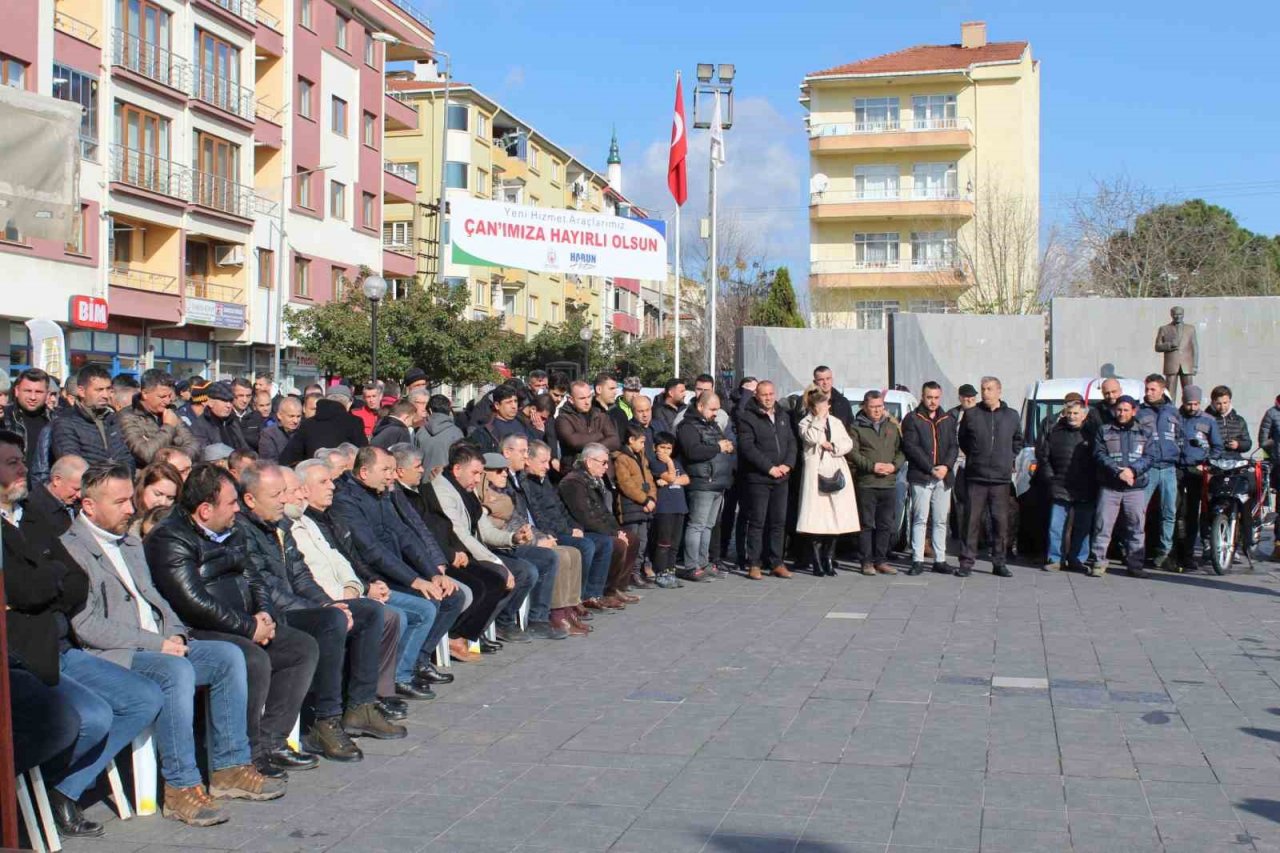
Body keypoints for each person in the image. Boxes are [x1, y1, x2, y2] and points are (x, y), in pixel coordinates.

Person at [64, 461, 284, 825]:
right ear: (89, 506)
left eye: (128, 500)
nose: (131, 510)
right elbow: (88, 626)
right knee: (174, 671)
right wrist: (156, 643)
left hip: (162, 643)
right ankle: (180, 787)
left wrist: (177, 633)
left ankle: (230, 768)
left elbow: (160, 599)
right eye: (119, 503)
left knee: (228, 656)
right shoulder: (73, 549)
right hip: (117, 654)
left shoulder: (130, 542)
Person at [2, 436, 152, 839]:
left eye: (21, 460)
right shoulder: (8, 526)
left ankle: (61, 788)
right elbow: (22, 589)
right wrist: (42, 586)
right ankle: (23, 798)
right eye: (11, 463)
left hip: (59, 644)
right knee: (86, 718)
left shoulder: (32, 517)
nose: (21, 470)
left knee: (145, 697)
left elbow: (74, 582)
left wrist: (40, 588)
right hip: (27, 652)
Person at [144, 465, 324, 773]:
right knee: (251, 658)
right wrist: (249, 627)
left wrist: (264, 615)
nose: (237, 509)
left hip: (246, 622)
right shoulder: (169, 539)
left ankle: (272, 741)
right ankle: (246, 752)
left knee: (301, 648)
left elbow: (254, 577)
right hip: (200, 630)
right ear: (204, 510)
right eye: (231, 503)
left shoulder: (232, 530)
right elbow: (193, 603)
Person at [235, 463, 406, 746]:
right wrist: (322, 611)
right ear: (251, 499)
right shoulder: (244, 531)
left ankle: (360, 706)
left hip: (298, 605)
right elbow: (266, 587)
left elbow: (302, 576)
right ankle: (326, 718)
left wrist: (328, 603)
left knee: (368, 611)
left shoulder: (279, 526)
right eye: (277, 494)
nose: (285, 499)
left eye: (283, 493)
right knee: (332, 621)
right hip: (274, 613)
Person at [334, 446, 482, 665]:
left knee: (452, 595)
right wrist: (415, 581)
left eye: (393, 470)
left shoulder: (381, 492)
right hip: (374, 576)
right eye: (386, 469)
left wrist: (432, 573)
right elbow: (372, 550)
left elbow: (405, 534)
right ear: (365, 472)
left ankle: (420, 659)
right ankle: (403, 673)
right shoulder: (346, 501)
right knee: (427, 602)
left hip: (396, 570)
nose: (391, 476)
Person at [432, 446, 546, 643]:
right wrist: (497, 563)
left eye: (480, 474)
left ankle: (479, 630)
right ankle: (461, 635)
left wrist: (513, 537)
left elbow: (485, 530)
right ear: (457, 469)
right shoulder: (443, 490)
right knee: (503, 575)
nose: (478, 479)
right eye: (475, 473)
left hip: (475, 551)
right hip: (456, 553)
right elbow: (462, 536)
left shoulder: (467, 490)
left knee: (525, 571)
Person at [481, 441, 584, 637]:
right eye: (498, 471)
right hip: (496, 547)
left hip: (510, 542)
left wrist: (540, 537)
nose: (504, 473)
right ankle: (507, 620)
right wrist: (534, 541)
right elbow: (492, 529)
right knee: (531, 567)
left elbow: (519, 519)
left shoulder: (507, 488)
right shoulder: (485, 493)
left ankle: (543, 617)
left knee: (559, 554)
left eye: (504, 470)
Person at [523, 439, 614, 610]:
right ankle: (574, 600)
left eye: (549, 461)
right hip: (551, 533)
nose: (548, 467)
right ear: (529, 460)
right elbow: (538, 516)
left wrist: (575, 528)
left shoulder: (544, 481)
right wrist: (562, 532)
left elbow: (562, 509)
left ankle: (592, 594)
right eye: (543, 462)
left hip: (563, 529)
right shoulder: (528, 484)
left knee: (605, 541)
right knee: (585, 545)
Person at [957, 376, 1023, 578]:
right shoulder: (972, 414)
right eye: (983, 389)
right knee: (971, 521)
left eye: (990, 389)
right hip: (976, 477)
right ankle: (966, 563)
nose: (985, 393)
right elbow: (964, 440)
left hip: (1000, 479)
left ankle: (999, 562)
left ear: (999, 391)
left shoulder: (1012, 415)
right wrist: (976, 456)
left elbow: (1018, 440)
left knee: (1000, 522)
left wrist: (1007, 457)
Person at [559, 443, 638, 608]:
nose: (606, 467)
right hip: (582, 528)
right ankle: (596, 592)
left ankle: (615, 588)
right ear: (589, 462)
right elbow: (585, 515)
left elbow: (603, 512)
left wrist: (616, 530)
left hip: (597, 526)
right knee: (615, 543)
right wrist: (614, 534)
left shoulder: (593, 480)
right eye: (603, 463)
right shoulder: (573, 482)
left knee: (632, 538)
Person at [736, 381, 797, 580]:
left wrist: (788, 464)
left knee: (779, 522)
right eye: (764, 394)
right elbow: (748, 448)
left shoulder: (783, 415)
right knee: (757, 521)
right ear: (756, 396)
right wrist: (769, 468)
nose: (768, 398)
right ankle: (754, 563)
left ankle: (776, 562)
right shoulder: (747, 417)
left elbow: (791, 442)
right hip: (759, 478)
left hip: (782, 477)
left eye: (771, 393)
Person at [795, 386, 859, 577]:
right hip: (816, 473)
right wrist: (818, 419)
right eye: (820, 405)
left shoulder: (836, 422)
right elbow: (811, 437)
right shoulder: (806, 422)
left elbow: (848, 443)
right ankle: (816, 561)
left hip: (835, 467)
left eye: (826, 405)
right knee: (817, 519)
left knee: (835, 518)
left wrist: (834, 446)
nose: (824, 409)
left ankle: (829, 558)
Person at [1091, 396, 1156, 578]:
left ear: (1134, 411)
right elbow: (1099, 454)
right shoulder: (1104, 431)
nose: (1122, 413)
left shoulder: (1145, 432)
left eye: (1126, 410)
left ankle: (1135, 565)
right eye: (1119, 410)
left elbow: (1150, 457)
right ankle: (1099, 562)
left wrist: (1132, 471)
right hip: (1110, 486)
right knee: (1103, 525)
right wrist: (1117, 471)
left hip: (1135, 488)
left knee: (1136, 527)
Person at [902, 381, 959, 575]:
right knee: (920, 518)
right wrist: (930, 467)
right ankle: (917, 559)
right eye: (929, 397)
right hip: (921, 476)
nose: (932, 401)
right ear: (922, 396)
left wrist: (946, 466)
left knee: (941, 520)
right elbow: (911, 447)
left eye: (936, 397)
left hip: (944, 477)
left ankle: (940, 559)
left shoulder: (948, 419)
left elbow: (954, 445)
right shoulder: (912, 418)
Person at [677, 392, 734, 582]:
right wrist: (718, 447)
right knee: (697, 525)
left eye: (717, 409)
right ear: (700, 406)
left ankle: (703, 562)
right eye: (712, 409)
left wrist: (726, 446)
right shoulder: (688, 426)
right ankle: (691, 565)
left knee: (708, 526)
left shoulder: (712, 424)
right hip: (702, 482)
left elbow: (717, 444)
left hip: (717, 482)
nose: (715, 413)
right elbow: (693, 451)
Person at [1037, 400, 1097, 572]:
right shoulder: (1055, 432)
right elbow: (1044, 457)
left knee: (1083, 527)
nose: (1072, 416)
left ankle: (1078, 559)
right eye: (1069, 413)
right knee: (1056, 526)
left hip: (1085, 487)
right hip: (1060, 485)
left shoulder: (1092, 434)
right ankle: (1055, 558)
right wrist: (1050, 478)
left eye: (1076, 413)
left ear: (1084, 415)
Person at [848, 390, 903, 576]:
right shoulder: (856, 428)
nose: (877, 410)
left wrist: (894, 466)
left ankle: (881, 560)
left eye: (880, 406)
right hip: (867, 483)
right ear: (865, 407)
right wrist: (872, 466)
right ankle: (866, 561)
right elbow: (853, 453)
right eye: (873, 407)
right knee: (867, 524)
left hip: (888, 483)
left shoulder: (892, 427)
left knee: (885, 524)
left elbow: (901, 451)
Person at [49, 364, 135, 472]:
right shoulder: (65, 422)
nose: (105, 395)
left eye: (108, 389)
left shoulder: (112, 419)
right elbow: (72, 467)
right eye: (99, 390)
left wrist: (123, 481)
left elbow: (126, 457)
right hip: (88, 486)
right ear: (81, 391)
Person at [1137, 374, 1183, 568]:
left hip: (1169, 468)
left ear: (1162, 389)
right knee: (1139, 512)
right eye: (1147, 389)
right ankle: (1136, 550)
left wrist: (1180, 460)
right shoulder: (1139, 412)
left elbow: (1180, 438)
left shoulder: (1173, 412)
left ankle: (1164, 552)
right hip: (1148, 468)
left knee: (1169, 512)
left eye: (1153, 389)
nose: (1149, 393)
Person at [1174, 385, 1222, 571]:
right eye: (1188, 403)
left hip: (1196, 471)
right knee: (1175, 511)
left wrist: (1207, 463)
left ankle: (1188, 554)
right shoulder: (1175, 417)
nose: (1192, 407)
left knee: (1192, 513)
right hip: (1177, 468)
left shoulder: (1208, 420)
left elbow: (1217, 447)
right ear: (1183, 402)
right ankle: (1174, 553)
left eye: (1195, 404)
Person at [118, 369, 201, 467]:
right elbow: (146, 455)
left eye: (169, 396)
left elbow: (195, 446)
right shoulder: (127, 417)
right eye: (162, 396)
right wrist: (168, 426)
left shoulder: (170, 412)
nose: (167, 401)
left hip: (177, 475)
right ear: (145, 394)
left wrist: (173, 459)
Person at [613, 424, 658, 589]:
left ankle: (636, 572)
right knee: (632, 541)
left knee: (643, 541)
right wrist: (644, 500)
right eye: (641, 441)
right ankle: (626, 575)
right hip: (630, 506)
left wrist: (652, 497)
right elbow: (626, 484)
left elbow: (650, 480)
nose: (643, 445)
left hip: (645, 506)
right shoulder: (621, 458)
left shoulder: (642, 457)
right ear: (631, 440)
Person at [279, 387, 367, 466]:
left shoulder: (308, 424)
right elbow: (364, 455)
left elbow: (287, 458)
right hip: (344, 477)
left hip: (314, 476)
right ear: (349, 403)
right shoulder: (354, 422)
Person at [19, 453, 85, 544]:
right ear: (57, 480)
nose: (79, 495)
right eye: (76, 489)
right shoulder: (32, 509)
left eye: (83, 489)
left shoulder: (79, 505)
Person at [556, 379, 621, 469]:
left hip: (604, 471)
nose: (587, 402)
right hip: (575, 470)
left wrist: (592, 450)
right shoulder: (563, 418)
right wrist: (600, 435)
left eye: (589, 397)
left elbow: (615, 441)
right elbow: (575, 442)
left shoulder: (600, 415)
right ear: (571, 399)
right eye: (582, 398)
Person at [3, 367, 53, 472]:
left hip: (44, 485)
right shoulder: (4, 418)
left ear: (47, 395)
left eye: (39, 392)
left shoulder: (56, 421)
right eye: (28, 391)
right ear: (16, 391)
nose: (33, 397)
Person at [189, 382, 249, 452]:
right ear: (211, 402)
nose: (229, 406)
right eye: (224, 401)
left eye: (230, 401)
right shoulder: (199, 426)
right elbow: (204, 453)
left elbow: (244, 447)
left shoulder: (232, 421)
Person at [416, 394, 464, 477]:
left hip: (424, 481)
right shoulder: (457, 432)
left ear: (430, 410)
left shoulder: (420, 431)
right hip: (449, 482)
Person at [1210, 385, 1252, 460]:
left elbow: (1248, 443)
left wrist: (1238, 445)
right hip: (1213, 461)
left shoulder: (1239, 420)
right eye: (1218, 403)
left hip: (1235, 461)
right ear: (1213, 402)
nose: (1222, 407)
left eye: (1225, 403)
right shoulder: (1207, 419)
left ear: (1230, 401)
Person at [258, 397, 303, 461]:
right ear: (279, 415)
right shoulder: (268, 434)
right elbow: (269, 463)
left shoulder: (304, 430)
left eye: (298, 416)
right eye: (291, 416)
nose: (295, 421)